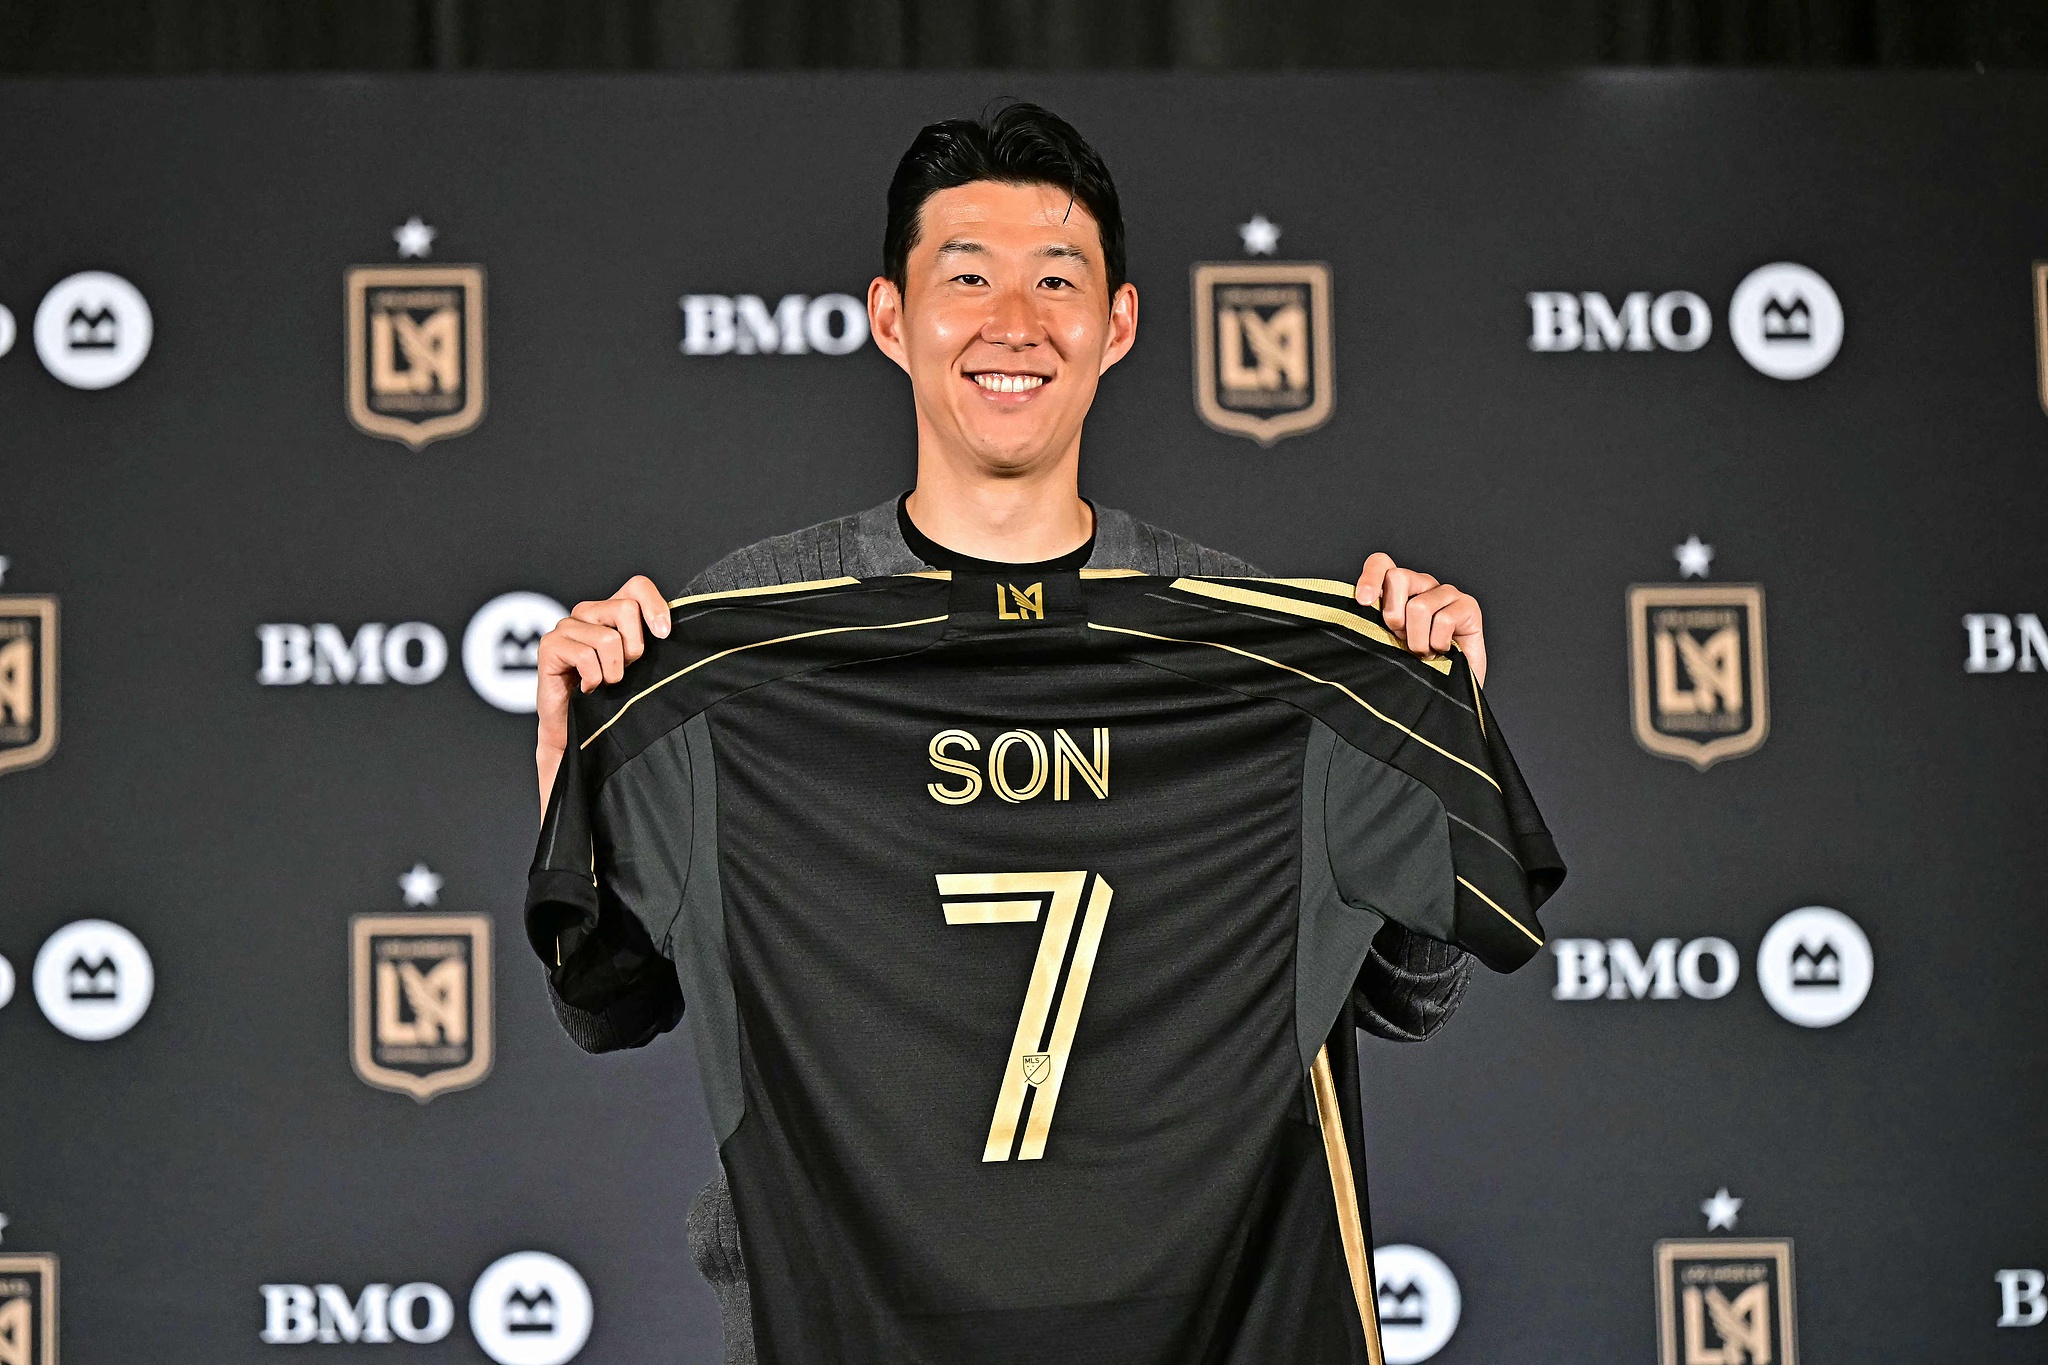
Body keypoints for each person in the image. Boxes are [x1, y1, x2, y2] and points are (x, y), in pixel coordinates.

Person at [533, 102, 1501, 1363]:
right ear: (889, 318)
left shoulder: (1254, 663)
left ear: (1118, 325)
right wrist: (577, 781)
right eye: (965, 278)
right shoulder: (734, 656)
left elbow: (1409, 996)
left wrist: (1436, 723)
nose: (1013, 324)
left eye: (1056, 280)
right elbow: (611, 1003)